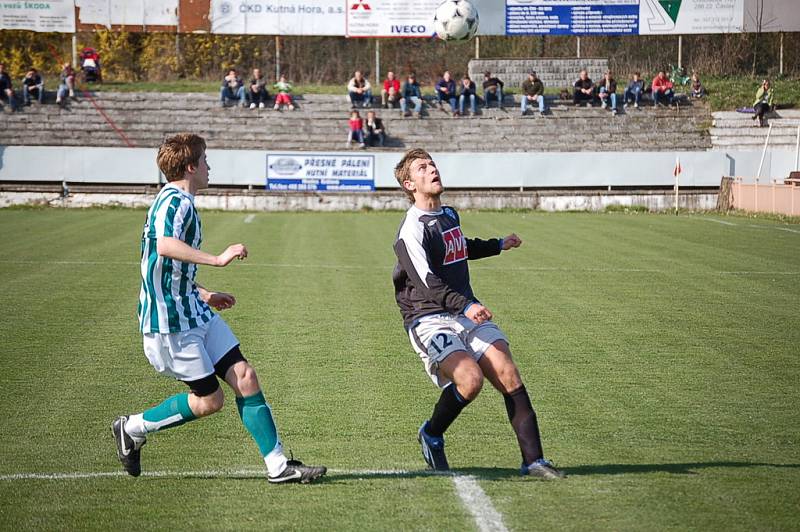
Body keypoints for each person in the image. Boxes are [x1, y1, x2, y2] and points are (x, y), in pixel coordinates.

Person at [112, 133, 326, 484]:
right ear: (191, 166)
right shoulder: (173, 202)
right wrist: (217, 259)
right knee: (210, 401)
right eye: (205, 160)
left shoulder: (181, 202)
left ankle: (279, 466)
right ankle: (133, 427)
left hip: (193, 308)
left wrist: (204, 293)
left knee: (245, 376)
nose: (210, 167)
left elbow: (163, 266)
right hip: (171, 323)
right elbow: (164, 247)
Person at [391, 148, 565, 480]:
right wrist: (467, 305)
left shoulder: (449, 215)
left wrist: (497, 244)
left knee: (508, 373)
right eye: (422, 168)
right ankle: (431, 433)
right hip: (428, 317)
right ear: (409, 183)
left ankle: (535, 461)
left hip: (462, 310)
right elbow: (426, 283)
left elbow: (461, 247)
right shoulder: (410, 230)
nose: (432, 170)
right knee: (469, 381)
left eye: (433, 164)